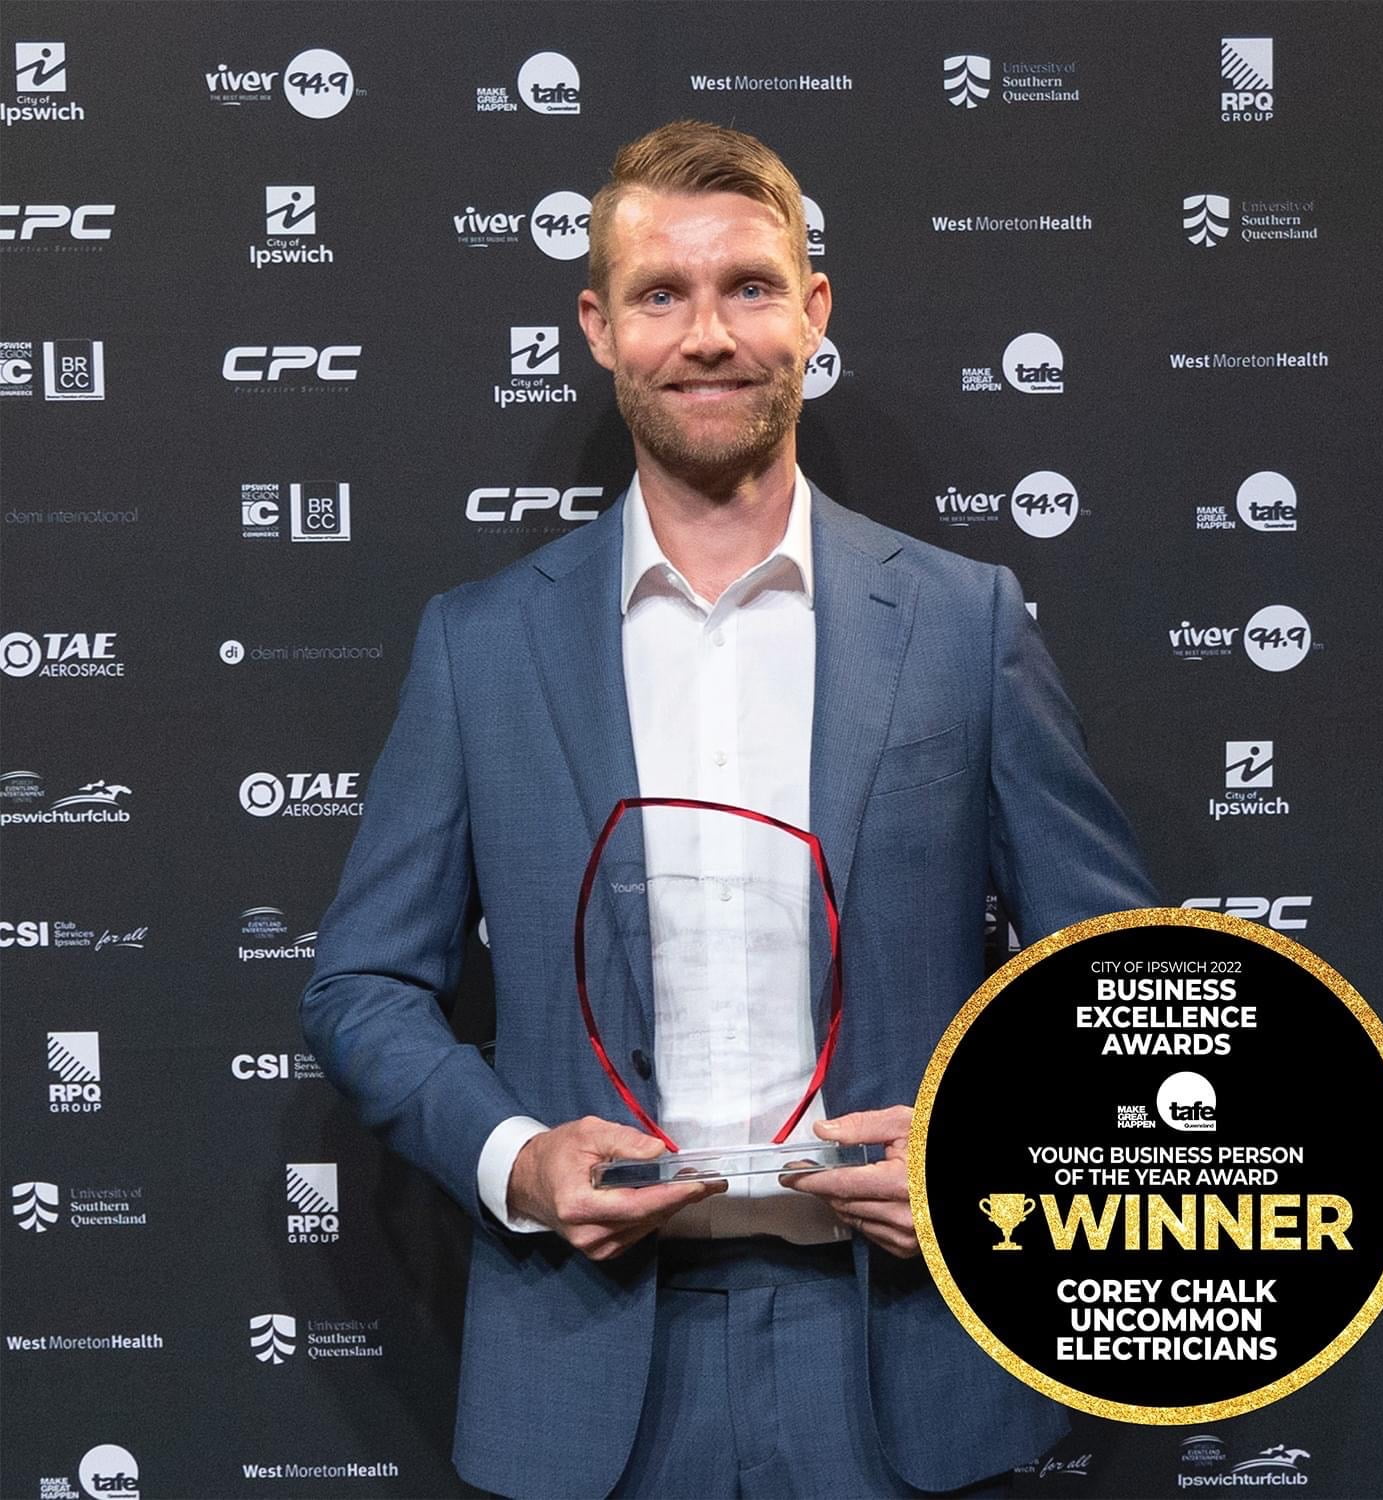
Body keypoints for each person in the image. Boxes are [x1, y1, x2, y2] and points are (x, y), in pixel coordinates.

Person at [302, 120, 1156, 1500]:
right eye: (662, 294)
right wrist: (517, 1161)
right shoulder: (479, 648)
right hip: (588, 1365)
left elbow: (1117, 978)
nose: (710, 334)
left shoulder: (962, 622)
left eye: (750, 287)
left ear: (813, 312)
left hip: (909, 1356)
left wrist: (985, 1155)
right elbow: (362, 987)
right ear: (599, 327)